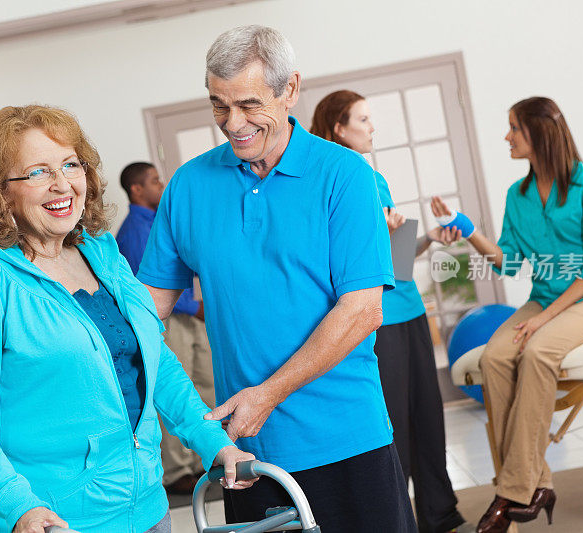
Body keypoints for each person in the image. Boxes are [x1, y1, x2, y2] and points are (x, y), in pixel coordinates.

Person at [137, 25, 418, 532]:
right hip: (248, 455)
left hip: (348, 438)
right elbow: (146, 313)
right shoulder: (189, 186)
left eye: (248, 104)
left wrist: (267, 394)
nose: (233, 123)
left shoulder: (345, 175)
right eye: (219, 106)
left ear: (290, 89)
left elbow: (362, 310)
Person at [0, 105, 254, 533]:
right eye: (38, 172)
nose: (62, 183)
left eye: (70, 164)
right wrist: (16, 505)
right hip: (58, 521)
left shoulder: (99, 249)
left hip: (149, 508)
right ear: (2, 190)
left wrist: (214, 442)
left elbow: (157, 362)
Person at [431, 97, 583, 533]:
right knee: (495, 357)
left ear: (539, 133)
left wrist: (544, 319)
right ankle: (536, 483)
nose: (506, 136)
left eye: (513, 128)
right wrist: (466, 228)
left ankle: (511, 492)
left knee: (538, 350)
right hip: (546, 297)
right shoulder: (518, 195)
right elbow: (507, 262)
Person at [310, 89, 473, 533]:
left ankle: (440, 515)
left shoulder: (374, 178)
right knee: (394, 425)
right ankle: (394, 518)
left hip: (409, 310)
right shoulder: (325, 181)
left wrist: (430, 238)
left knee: (428, 418)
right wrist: (372, 234)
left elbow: (395, 262)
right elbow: (329, 262)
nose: (371, 128)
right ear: (338, 127)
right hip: (374, 321)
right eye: (362, 120)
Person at [116, 161, 215, 494]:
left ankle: (206, 454)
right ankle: (177, 472)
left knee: (202, 385)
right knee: (172, 390)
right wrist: (195, 306)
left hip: (189, 316)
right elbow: (147, 287)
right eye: (155, 181)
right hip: (168, 320)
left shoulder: (158, 221)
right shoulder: (134, 231)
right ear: (137, 190)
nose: (162, 185)